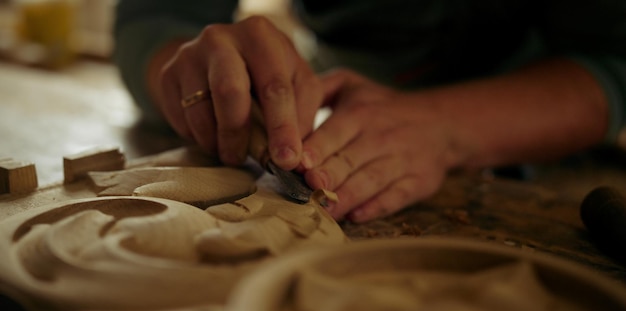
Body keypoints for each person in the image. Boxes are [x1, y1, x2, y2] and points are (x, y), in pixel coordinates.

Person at [113, 0, 626, 223]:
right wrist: (200, 80)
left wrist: (446, 125)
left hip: (555, 152)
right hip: (327, 127)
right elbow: (157, 16)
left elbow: (613, 61)